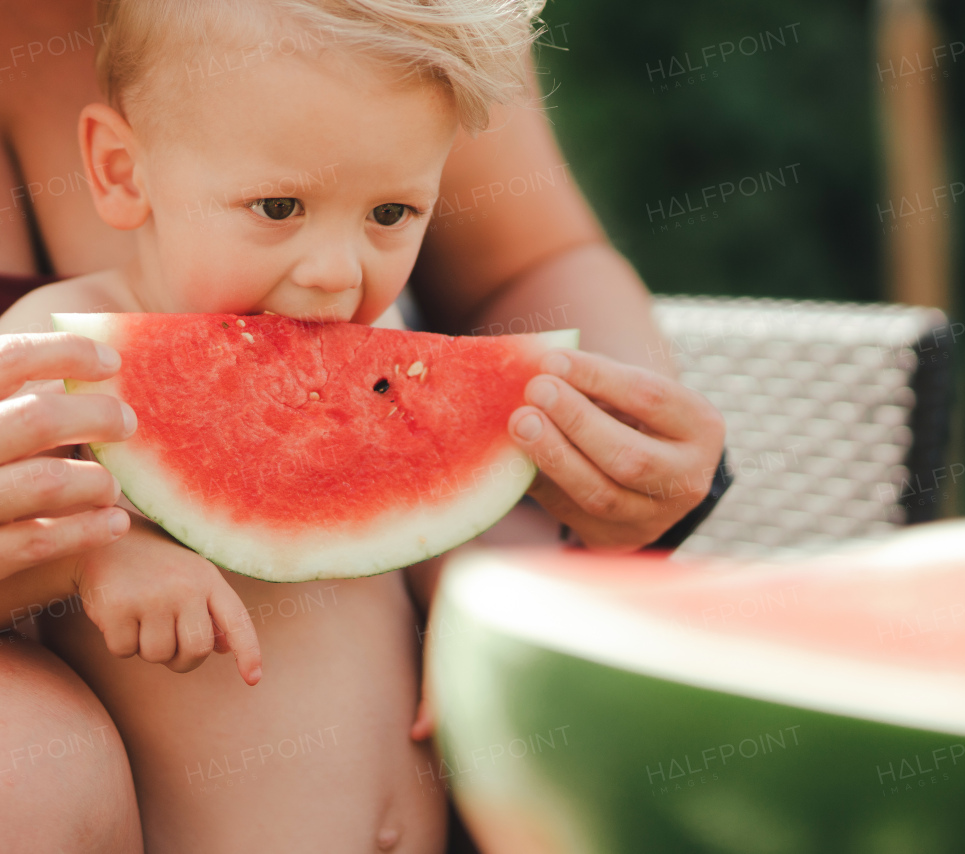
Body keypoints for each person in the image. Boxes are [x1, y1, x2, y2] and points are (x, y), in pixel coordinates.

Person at [0, 0, 726, 850]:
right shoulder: (60, 337)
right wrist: (105, 556)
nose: (336, 274)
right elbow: (37, 498)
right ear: (122, 172)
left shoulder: (378, 366)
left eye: (390, 215)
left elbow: (427, 530)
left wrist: (490, 584)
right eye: (277, 207)